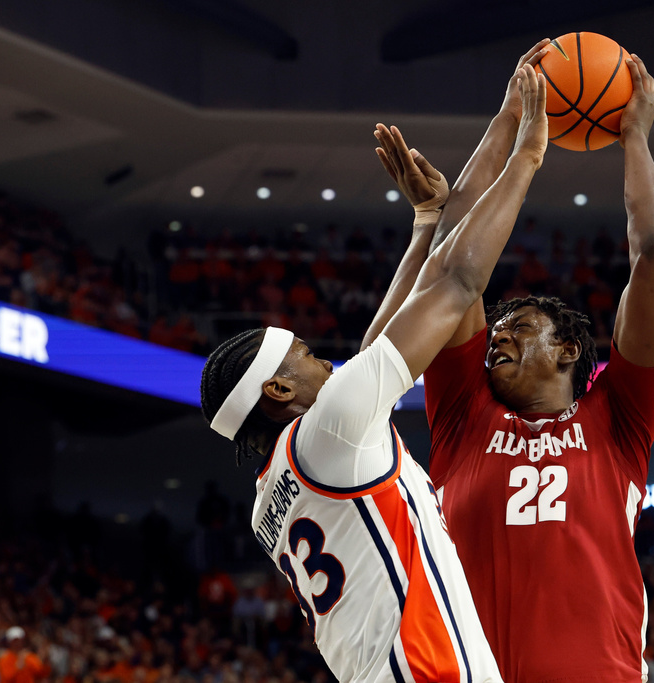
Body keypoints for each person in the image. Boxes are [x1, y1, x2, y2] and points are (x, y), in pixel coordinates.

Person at [198, 55, 550, 683]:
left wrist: (424, 224)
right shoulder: (329, 429)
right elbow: (457, 280)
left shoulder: (273, 493)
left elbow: (373, 349)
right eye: (306, 356)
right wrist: (525, 153)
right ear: (279, 389)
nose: (325, 359)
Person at [424, 53, 654, 683]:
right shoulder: (462, 412)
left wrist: (635, 138)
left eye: (519, 327)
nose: (497, 337)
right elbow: (454, 254)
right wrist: (509, 118)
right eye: (496, 327)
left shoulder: (619, 419)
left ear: (569, 350)